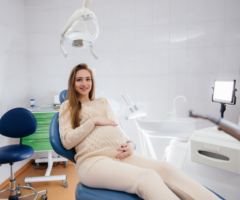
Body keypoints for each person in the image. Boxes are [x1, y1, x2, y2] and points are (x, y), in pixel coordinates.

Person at [58, 63, 220, 200]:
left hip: (121, 155)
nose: (84, 83)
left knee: (166, 168)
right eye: (79, 79)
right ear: (72, 83)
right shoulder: (67, 106)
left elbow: (116, 127)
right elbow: (67, 140)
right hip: (93, 161)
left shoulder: (102, 102)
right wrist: (92, 121)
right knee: (148, 178)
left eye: (88, 79)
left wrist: (131, 144)